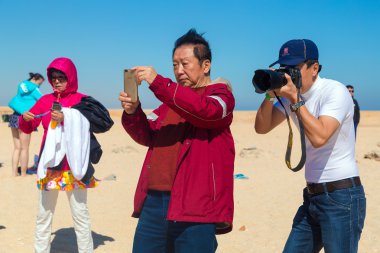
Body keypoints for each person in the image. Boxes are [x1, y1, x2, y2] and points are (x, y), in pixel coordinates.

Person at [119, 29, 235, 253]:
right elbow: (147, 136)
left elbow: (205, 112)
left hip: (196, 206)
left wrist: (158, 82)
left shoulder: (221, 96)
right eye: (174, 65)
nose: (178, 71)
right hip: (153, 204)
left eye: (185, 63)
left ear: (206, 65)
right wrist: (133, 112)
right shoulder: (169, 103)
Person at [254, 39, 366, 253]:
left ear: (314, 68)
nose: (288, 74)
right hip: (312, 196)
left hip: (342, 197)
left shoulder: (335, 91)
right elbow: (262, 127)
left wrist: (295, 99)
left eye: (294, 68)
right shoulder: (290, 96)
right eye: (284, 68)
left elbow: (320, 136)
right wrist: (270, 93)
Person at [19, 57, 112, 253]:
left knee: (80, 214)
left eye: (61, 77)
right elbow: (28, 127)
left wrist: (68, 116)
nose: (57, 81)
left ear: (71, 77)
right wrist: (25, 119)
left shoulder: (83, 100)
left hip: (75, 166)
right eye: (53, 78)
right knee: (44, 214)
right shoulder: (44, 101)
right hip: (50, 165)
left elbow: (101, 123)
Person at [8, 72, 44, 176]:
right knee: (25, 148)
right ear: (34, 79)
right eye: (39, 83)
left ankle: (14, 173)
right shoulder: (35, 90)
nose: (39, 85)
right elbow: (43, 101)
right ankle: (23, 174)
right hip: (25, 118)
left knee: (16, 148)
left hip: (14, 116)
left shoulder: (21, 85)